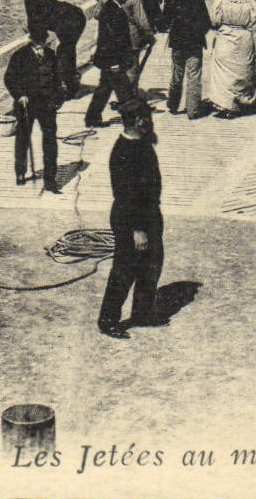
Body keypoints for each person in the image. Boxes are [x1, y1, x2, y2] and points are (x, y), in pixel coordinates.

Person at [97, 99, 163, 339]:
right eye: (147, 118)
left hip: (150, 215)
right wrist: (137, 229)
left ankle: (143, 313)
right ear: (138, 121)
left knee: (151, 264)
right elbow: (125, 195)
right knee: (125, 269)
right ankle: (108, 319)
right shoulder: (123, 152)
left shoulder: (142, 144)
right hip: (131, 219)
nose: (151, 122)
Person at [4, 25, 66, 193]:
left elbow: (58, 79)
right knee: (23, 138)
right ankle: (20, 172)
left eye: (42, 42)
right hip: (26, 104)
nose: (40, 45)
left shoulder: (51, 55)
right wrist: (20, 95)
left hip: (47, 104)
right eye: (37, 42)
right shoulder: (20, 56)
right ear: (31, 41)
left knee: (50, 140)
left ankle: (50, 179)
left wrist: (59, 99)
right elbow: (9, 79)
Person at [203, 0, 256, 118]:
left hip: (225, 40)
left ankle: (227, 105)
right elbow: (255, 28)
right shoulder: (251, 4)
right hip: (245, 39)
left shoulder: (220, 1)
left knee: (223, 75)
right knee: (243, 72)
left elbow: (214, 21)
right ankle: (242, 101)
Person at [85, 0, 141, 129]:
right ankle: (131, 121)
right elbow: (111, 40)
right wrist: (115, 62)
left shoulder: (109, 9)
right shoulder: (115, 13)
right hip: (114, 60)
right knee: (125, 91)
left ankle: (92, 118)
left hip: (108, 59)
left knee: (104, 89)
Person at [24, 0, 86, 98]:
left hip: (67, 23)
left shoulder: (32, 1)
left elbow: (34, 22)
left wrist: (33, 34)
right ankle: (70, 86)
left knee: (64, 53)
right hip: (76, 17)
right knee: (68, 51)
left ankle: (67, 88)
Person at [165, 0, 210, 119]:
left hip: (178, 44)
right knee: (194, 76)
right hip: (194, 44)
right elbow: (207, 23)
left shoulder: (174, 1)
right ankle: (193, 110)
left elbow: (164, 21)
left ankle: (173, 105)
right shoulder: (199, 1)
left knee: (177, 75)